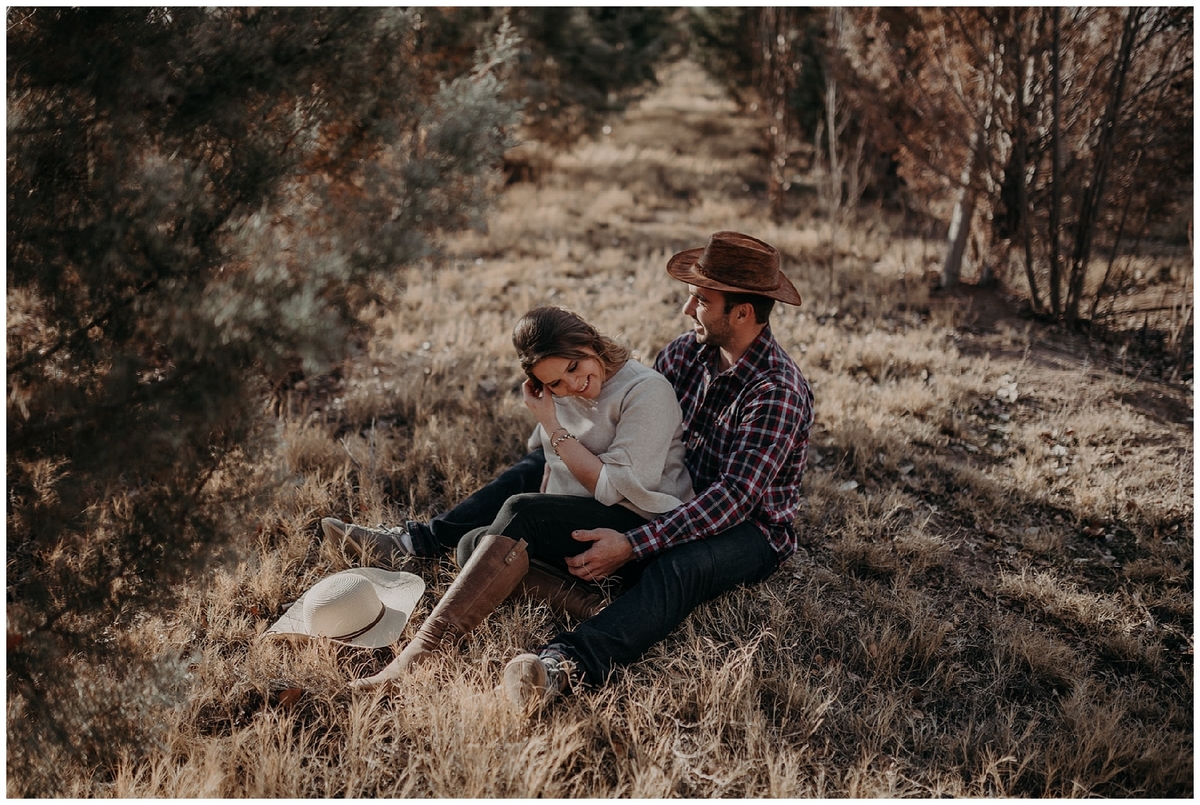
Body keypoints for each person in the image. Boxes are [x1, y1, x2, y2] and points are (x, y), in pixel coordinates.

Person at [497, 231, 814, 713]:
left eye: (701, 300)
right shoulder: (682, 355)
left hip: (750, 529)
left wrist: (633, 543)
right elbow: (647, 442)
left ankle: (565, 663)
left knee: (679, 567)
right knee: (533, 470)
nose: (688, 310)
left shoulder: (777, 391)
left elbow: (732, 499)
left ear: (742, 313)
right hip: (667, 498)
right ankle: (433, 538)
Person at [342, 306, 695, 689]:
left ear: (590, 342)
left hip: (638, 531)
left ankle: (422, 653)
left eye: (574, 366)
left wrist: (552, 424)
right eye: (556, 382)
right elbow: (546, 459)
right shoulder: (558, 394)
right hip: (587, 521)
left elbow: (611, 488)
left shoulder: (645, 390)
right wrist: (551, 417)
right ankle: (593, 604)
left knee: (520, 512)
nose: (572, 384)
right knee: (472, 545)